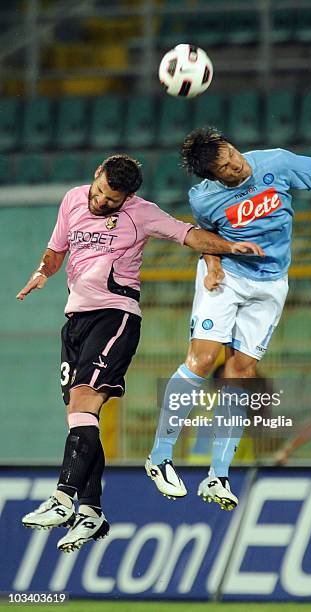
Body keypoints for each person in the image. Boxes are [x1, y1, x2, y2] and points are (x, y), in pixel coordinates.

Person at [17, 154, 263, 553]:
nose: (101, 203)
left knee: (83, 402)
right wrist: (43, 272)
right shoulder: (72, 199)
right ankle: (91, 510)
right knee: (82, 418)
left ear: (127, 197)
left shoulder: (142, 214)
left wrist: (230, 247)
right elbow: (56, 249)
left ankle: (63, 499)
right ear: (96, 175)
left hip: (114, 315)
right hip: (75, 322)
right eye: (99, 193)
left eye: (111, 201)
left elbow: (189, 235)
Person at [146, 127, 311, 510]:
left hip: (270, 283)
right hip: (227, 277)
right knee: (202, 361)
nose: (235, 164)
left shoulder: (276, 161)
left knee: (241, 372)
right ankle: (160, 455)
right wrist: (213, 264)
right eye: (226, 168)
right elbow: (206, 235)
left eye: (231, 153)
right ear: (213, 176)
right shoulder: (204, 198)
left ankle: (218, 476)